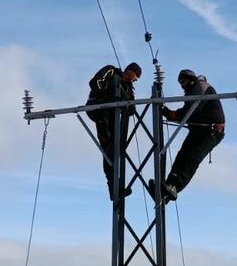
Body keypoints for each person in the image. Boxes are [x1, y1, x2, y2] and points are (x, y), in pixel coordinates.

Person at [149, 68, 224, 202]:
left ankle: (174, 187)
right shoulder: (193, 91)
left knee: (191, 159)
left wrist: (170, 114)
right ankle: (167, 189)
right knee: (182, 156)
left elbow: (191, 111)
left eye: (183, 81)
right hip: (200, 131)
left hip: (210, 132)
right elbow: (188, 112)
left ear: (190, 79)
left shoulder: (200, 87)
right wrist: (170, 114)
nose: (182, 85)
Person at [86, 62, 142, 200]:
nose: (134, 80)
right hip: (98, 108)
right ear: (129, 71)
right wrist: (106, 97)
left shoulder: (128, 87)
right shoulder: (111, 71)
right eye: (134, 77)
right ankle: (113, 185)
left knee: (113, 148)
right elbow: (95, 82)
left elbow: (131, 107)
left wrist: (129, 107)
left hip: (112, 115)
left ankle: (114, 187)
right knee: (107, 143)